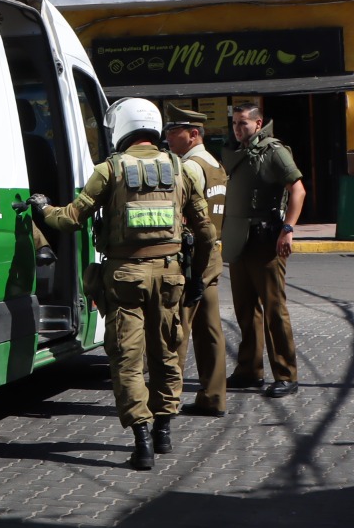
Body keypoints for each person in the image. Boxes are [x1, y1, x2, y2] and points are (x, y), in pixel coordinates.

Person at [31, 98, 215, 470]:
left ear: (121, 129)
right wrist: (198, 279)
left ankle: (142, 441)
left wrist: (41, 208)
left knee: (128, 360)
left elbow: (69, 220)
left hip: (125, 277)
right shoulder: (181, 169)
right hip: (170, 277)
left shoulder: (109, 170)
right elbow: (207, 233)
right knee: (167, 354)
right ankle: (164, 430)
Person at [222, 102, 306, 399]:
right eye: (234, 123)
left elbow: (297, 189)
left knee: (273, 310)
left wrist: (288, 228)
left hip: (265, 238)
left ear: (258, 124)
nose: (238, 128)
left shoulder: (274, 150)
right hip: (239, 240)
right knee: (245, 310)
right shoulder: (238, 153)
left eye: (243, 123)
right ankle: (249, 371)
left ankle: (286, 374)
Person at [163, 106, 228, 417]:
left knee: (179, 329)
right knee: (210, 329)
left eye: (174, 132)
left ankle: (168, 400)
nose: (168, 137)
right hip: (212, 254)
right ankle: (214, 396)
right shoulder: (215, 163)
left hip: (191, 259)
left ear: (193, 134)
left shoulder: (189, 168)